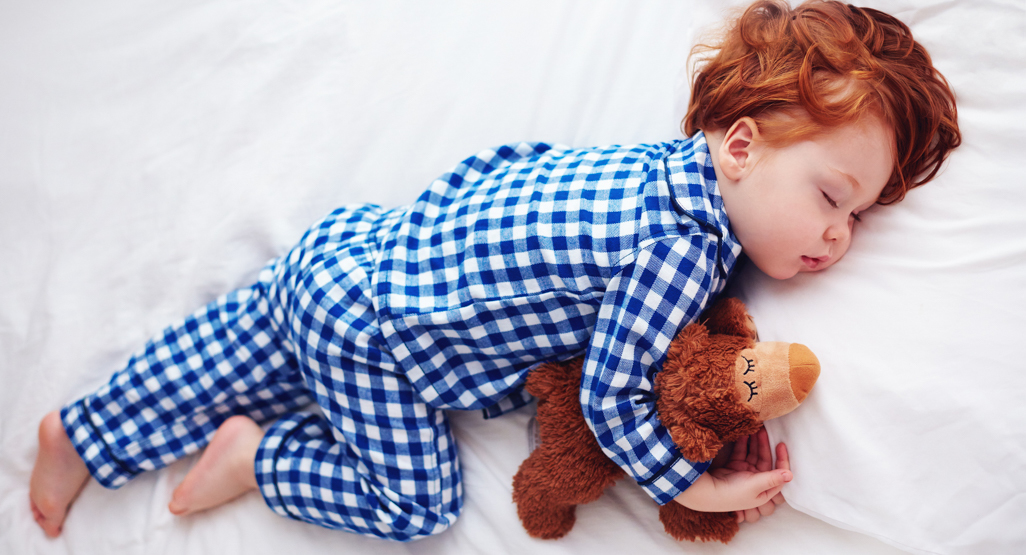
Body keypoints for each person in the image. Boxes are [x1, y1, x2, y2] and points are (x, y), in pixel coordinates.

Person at [29, 0, 960, 542]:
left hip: (356, 249)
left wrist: (427, 229)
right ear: (743, 147)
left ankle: (83, 430)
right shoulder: (683, 247)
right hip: (383, 341)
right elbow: (611, 397)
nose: (838, 237)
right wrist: (686, 481)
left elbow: (509, 164)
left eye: (859, 216)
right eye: (832, 198)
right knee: (418, 503)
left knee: (225, 346)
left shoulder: (640, 168)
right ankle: (263, 459)